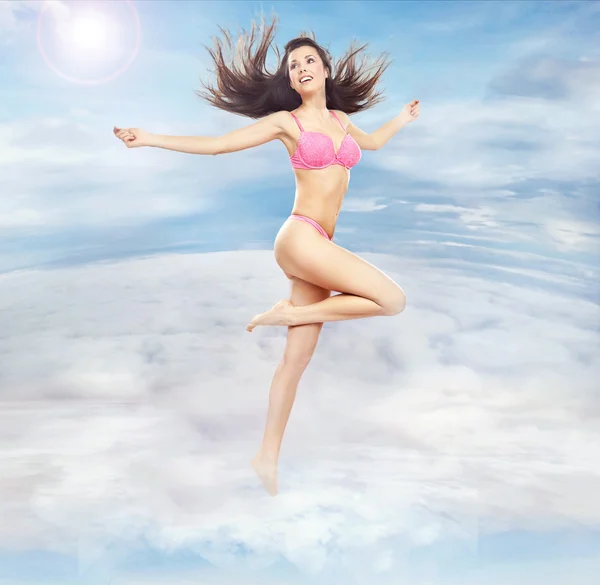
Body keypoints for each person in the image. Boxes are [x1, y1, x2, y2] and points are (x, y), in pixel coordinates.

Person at [113, 16, 420, 496]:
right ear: (290, 78)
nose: (300, 68)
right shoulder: (286, 123)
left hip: (320, 242)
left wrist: (401, 118)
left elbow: (374, 142)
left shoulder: (342, 122)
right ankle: (285, 314)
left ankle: (266, 457)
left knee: (296, 362)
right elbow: (219, 145)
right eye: (293, 64)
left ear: (325, 69)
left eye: (308, 61)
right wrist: (151, 138)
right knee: (393, 300)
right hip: (300, 239)